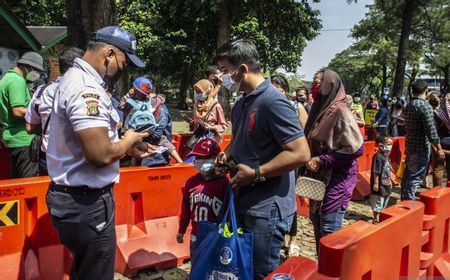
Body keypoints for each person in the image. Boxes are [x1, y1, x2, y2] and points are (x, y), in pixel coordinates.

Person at [45, 26, 151, 280]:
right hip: (87, 204)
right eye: (124, 64)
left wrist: (125, 148)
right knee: (96, 273)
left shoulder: (77, 80)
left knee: (86, 269)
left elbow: (90, 145)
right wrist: (129, 139)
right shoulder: (86, 89)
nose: (123, 71)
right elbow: (100, 155)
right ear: (109, 53)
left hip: (77, 200)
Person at [215, 39, 311, 279]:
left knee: (261, 273)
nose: (223, 78)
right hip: (243, 200)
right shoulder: (241, 103)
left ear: (243, 69)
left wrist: (257, 172)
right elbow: (240, 141)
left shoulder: (273, 101)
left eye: (226, 71)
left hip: (267, 210)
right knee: (240, 269)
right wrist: (226, 156)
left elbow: (301, 153)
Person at [303, 69, 364, 256]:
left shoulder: (340, 111)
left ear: (330, 85)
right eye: (313, 82)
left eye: (318, 82)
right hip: (318, 180)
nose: (315, 87)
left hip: (336, 180)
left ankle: (332, 272)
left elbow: (356, 148)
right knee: (317, 224)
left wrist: (323, 160)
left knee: (329, 230)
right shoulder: (319, 110)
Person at [24, 47, 84, 175]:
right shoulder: (83, 91)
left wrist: (49, 127)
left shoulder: (41, 91)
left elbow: (29, 127)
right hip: (74, 160)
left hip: (47, 158)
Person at [177, 138, 228, 257]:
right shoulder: (191, 182)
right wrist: (181, 230)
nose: (200, 161)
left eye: (205, 158)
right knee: (197, 265)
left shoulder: (224, 183)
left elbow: (229, 210)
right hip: (196, 235)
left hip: (217, 235)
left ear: (217, 158)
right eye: (197, 158)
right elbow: (185, 210)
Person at [0, 51, 44, 178]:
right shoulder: (17, 81)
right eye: (36, 70)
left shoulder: (6, 79)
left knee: (17, 182)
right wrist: (39, 109)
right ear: (28, 67)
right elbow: (18, 110)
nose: (37, 74)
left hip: (12, 139)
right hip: (23, 140)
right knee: (29, 183)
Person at [121, 77, 183, 166]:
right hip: (141, 150)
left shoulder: (161, 109)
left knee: (163, 140)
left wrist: (140, 138)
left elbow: (157, 135)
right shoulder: (134, 105)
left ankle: (180, 161)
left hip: (157, 158)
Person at [401, 80, 444, 201]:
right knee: (415, 177)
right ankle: (408, 203)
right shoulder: (425, 106)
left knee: (408, 174)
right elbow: (431, 131)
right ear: (426, 91)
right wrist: (439, 148)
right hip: (420, 147)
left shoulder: (409, 105)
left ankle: (404, 200)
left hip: (410, 145)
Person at [182, 79, 227, 146]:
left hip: (210, 142)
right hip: (196, 141)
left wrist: (211, 127)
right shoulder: (196, 105)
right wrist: (190, 122)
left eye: (200, 91)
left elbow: (223, 125)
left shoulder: (216, 106)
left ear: (208, 91)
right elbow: (196, 125)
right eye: (196, 92)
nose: (198, 94)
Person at [370, 134, 393, 224]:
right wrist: (375, 183)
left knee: (385, 199)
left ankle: (381, 215)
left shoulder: (386, 155)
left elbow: (388, 167)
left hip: (386, 183)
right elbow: (376, 171)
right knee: (378, 201)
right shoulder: (378, 157)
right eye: (388, 144)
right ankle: (375, 218)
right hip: (380, 184)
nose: (390, 146)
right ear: (380, 145)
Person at [432, 93, 450, 187]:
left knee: (438, 169)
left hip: (439, 144)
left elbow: (433, 131)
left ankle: (437, 193)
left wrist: (435, 147)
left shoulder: (437, 113)